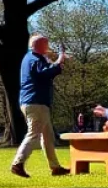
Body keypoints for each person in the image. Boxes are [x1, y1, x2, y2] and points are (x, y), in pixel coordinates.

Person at [11, 34, 70, 178]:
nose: (48, 47)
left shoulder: (30, 58)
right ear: (40, 45)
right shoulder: (34, 59)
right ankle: (17, 164)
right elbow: (45, 73)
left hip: (34, 102)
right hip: (36, 102)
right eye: (46, 44)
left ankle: (55, 167)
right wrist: (58, 62)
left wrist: (55, 63)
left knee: (48, 136)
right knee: (34, 134)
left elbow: (46, 71)